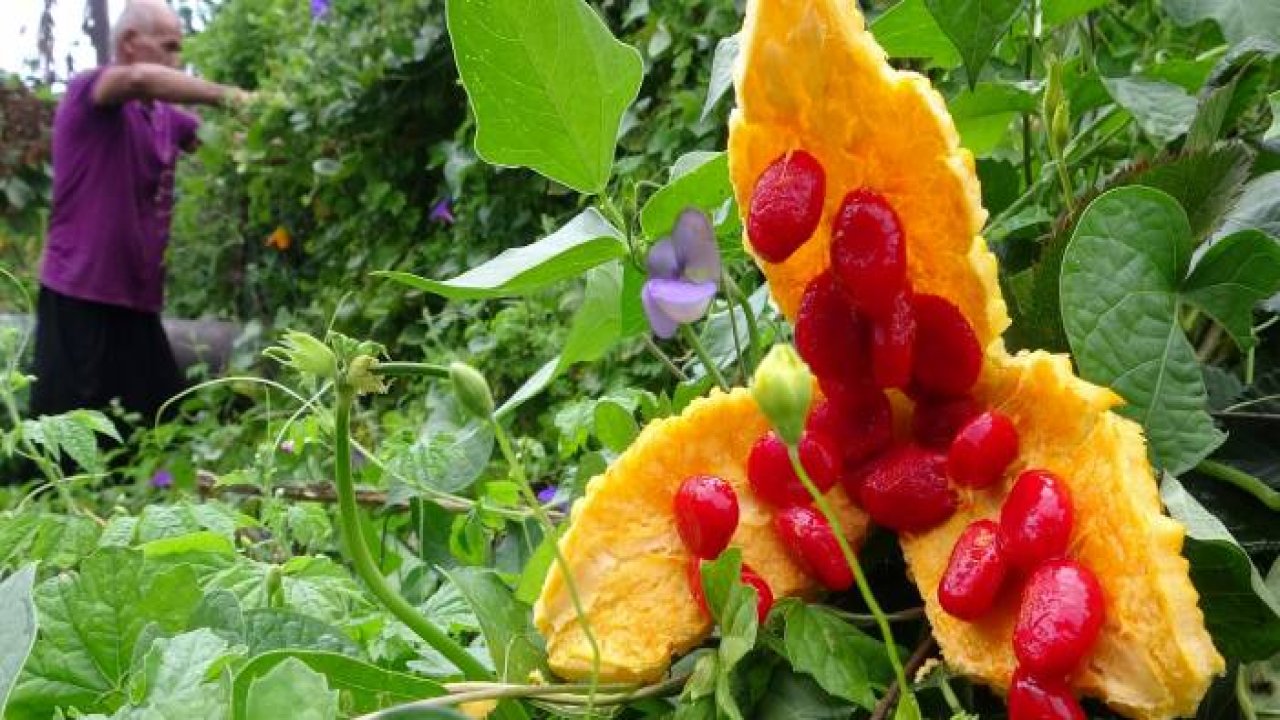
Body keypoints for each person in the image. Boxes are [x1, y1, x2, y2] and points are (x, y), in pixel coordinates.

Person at [30, 0, 251, 426]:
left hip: (137, 298)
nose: (176, 60)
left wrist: (282, 131)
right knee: (65, 432)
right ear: (130, 42)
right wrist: (234, 97)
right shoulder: (91, 91)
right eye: (169, 47)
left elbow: (233, 150)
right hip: (80, 293)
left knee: (157, 423)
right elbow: (138, 78)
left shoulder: (167, 118)